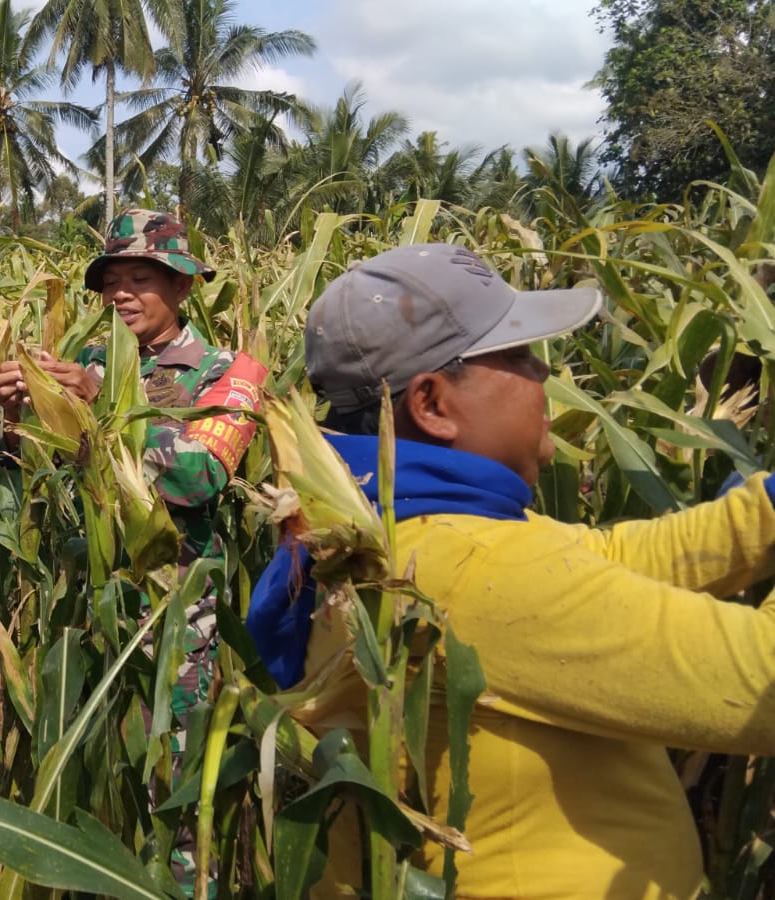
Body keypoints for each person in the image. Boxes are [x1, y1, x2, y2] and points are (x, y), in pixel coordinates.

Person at [246, 242, 775, 898]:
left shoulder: (396, 530)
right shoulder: (474, 572)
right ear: (433, 404)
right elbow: (761, 681)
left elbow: (607, 558)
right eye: (518, 355)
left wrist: (763, 511)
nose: (544, 372)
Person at [0, 209, 268, 883]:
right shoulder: (84, 363)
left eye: (140, 278)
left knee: (170, 792)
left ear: (182, 286)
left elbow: (200, 479)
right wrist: (13, 418)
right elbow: (29, 485)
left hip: (170, 618)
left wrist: (103, 401)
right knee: (92, 784)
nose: (120, 294)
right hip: (85, 613)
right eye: (111, 281)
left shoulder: (229, 373)